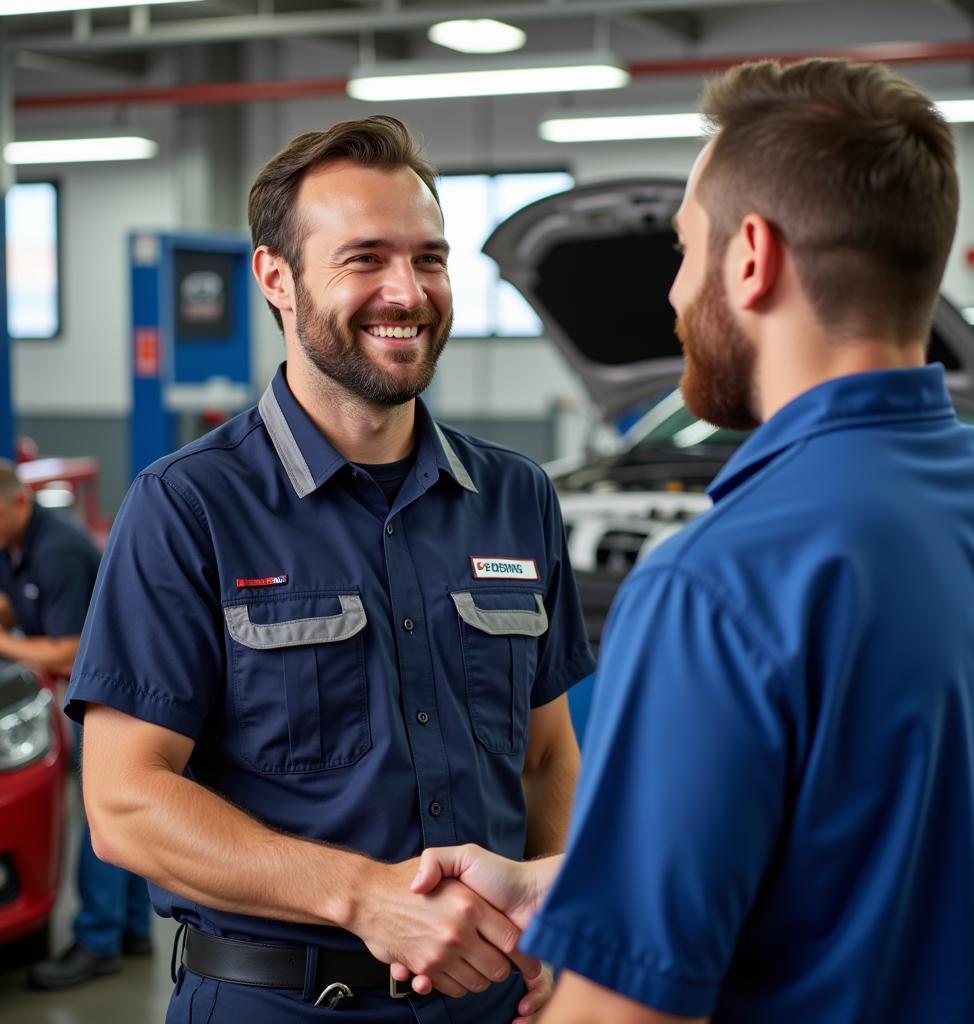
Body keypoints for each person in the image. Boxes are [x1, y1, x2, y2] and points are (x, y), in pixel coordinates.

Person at [393, 58, 974, 1023]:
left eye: (683, 252)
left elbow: (621, 1014)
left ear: (752, 258)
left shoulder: (718, 585)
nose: (675, 297)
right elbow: (905, 848)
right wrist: (589, 883)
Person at [65, 115, 594, 1023]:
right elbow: (125, 803)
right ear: (277, 277)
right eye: (366, 259)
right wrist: (363, 898)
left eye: (429, 258)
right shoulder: (190, 506)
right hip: (284, 1003)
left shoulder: (517, 496)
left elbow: (548, 758)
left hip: (494, 1002)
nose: (409, 291)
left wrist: (564, 934)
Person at [0, 461, 152, 989]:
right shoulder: (12, 548)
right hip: (101, 688)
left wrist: (4, 643)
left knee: (104, 814)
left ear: (20, 504)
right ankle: (133, 929)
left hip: (122, 692)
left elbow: (68, 652)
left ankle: (96, 942)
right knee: (123, 813)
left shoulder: (56, 550)